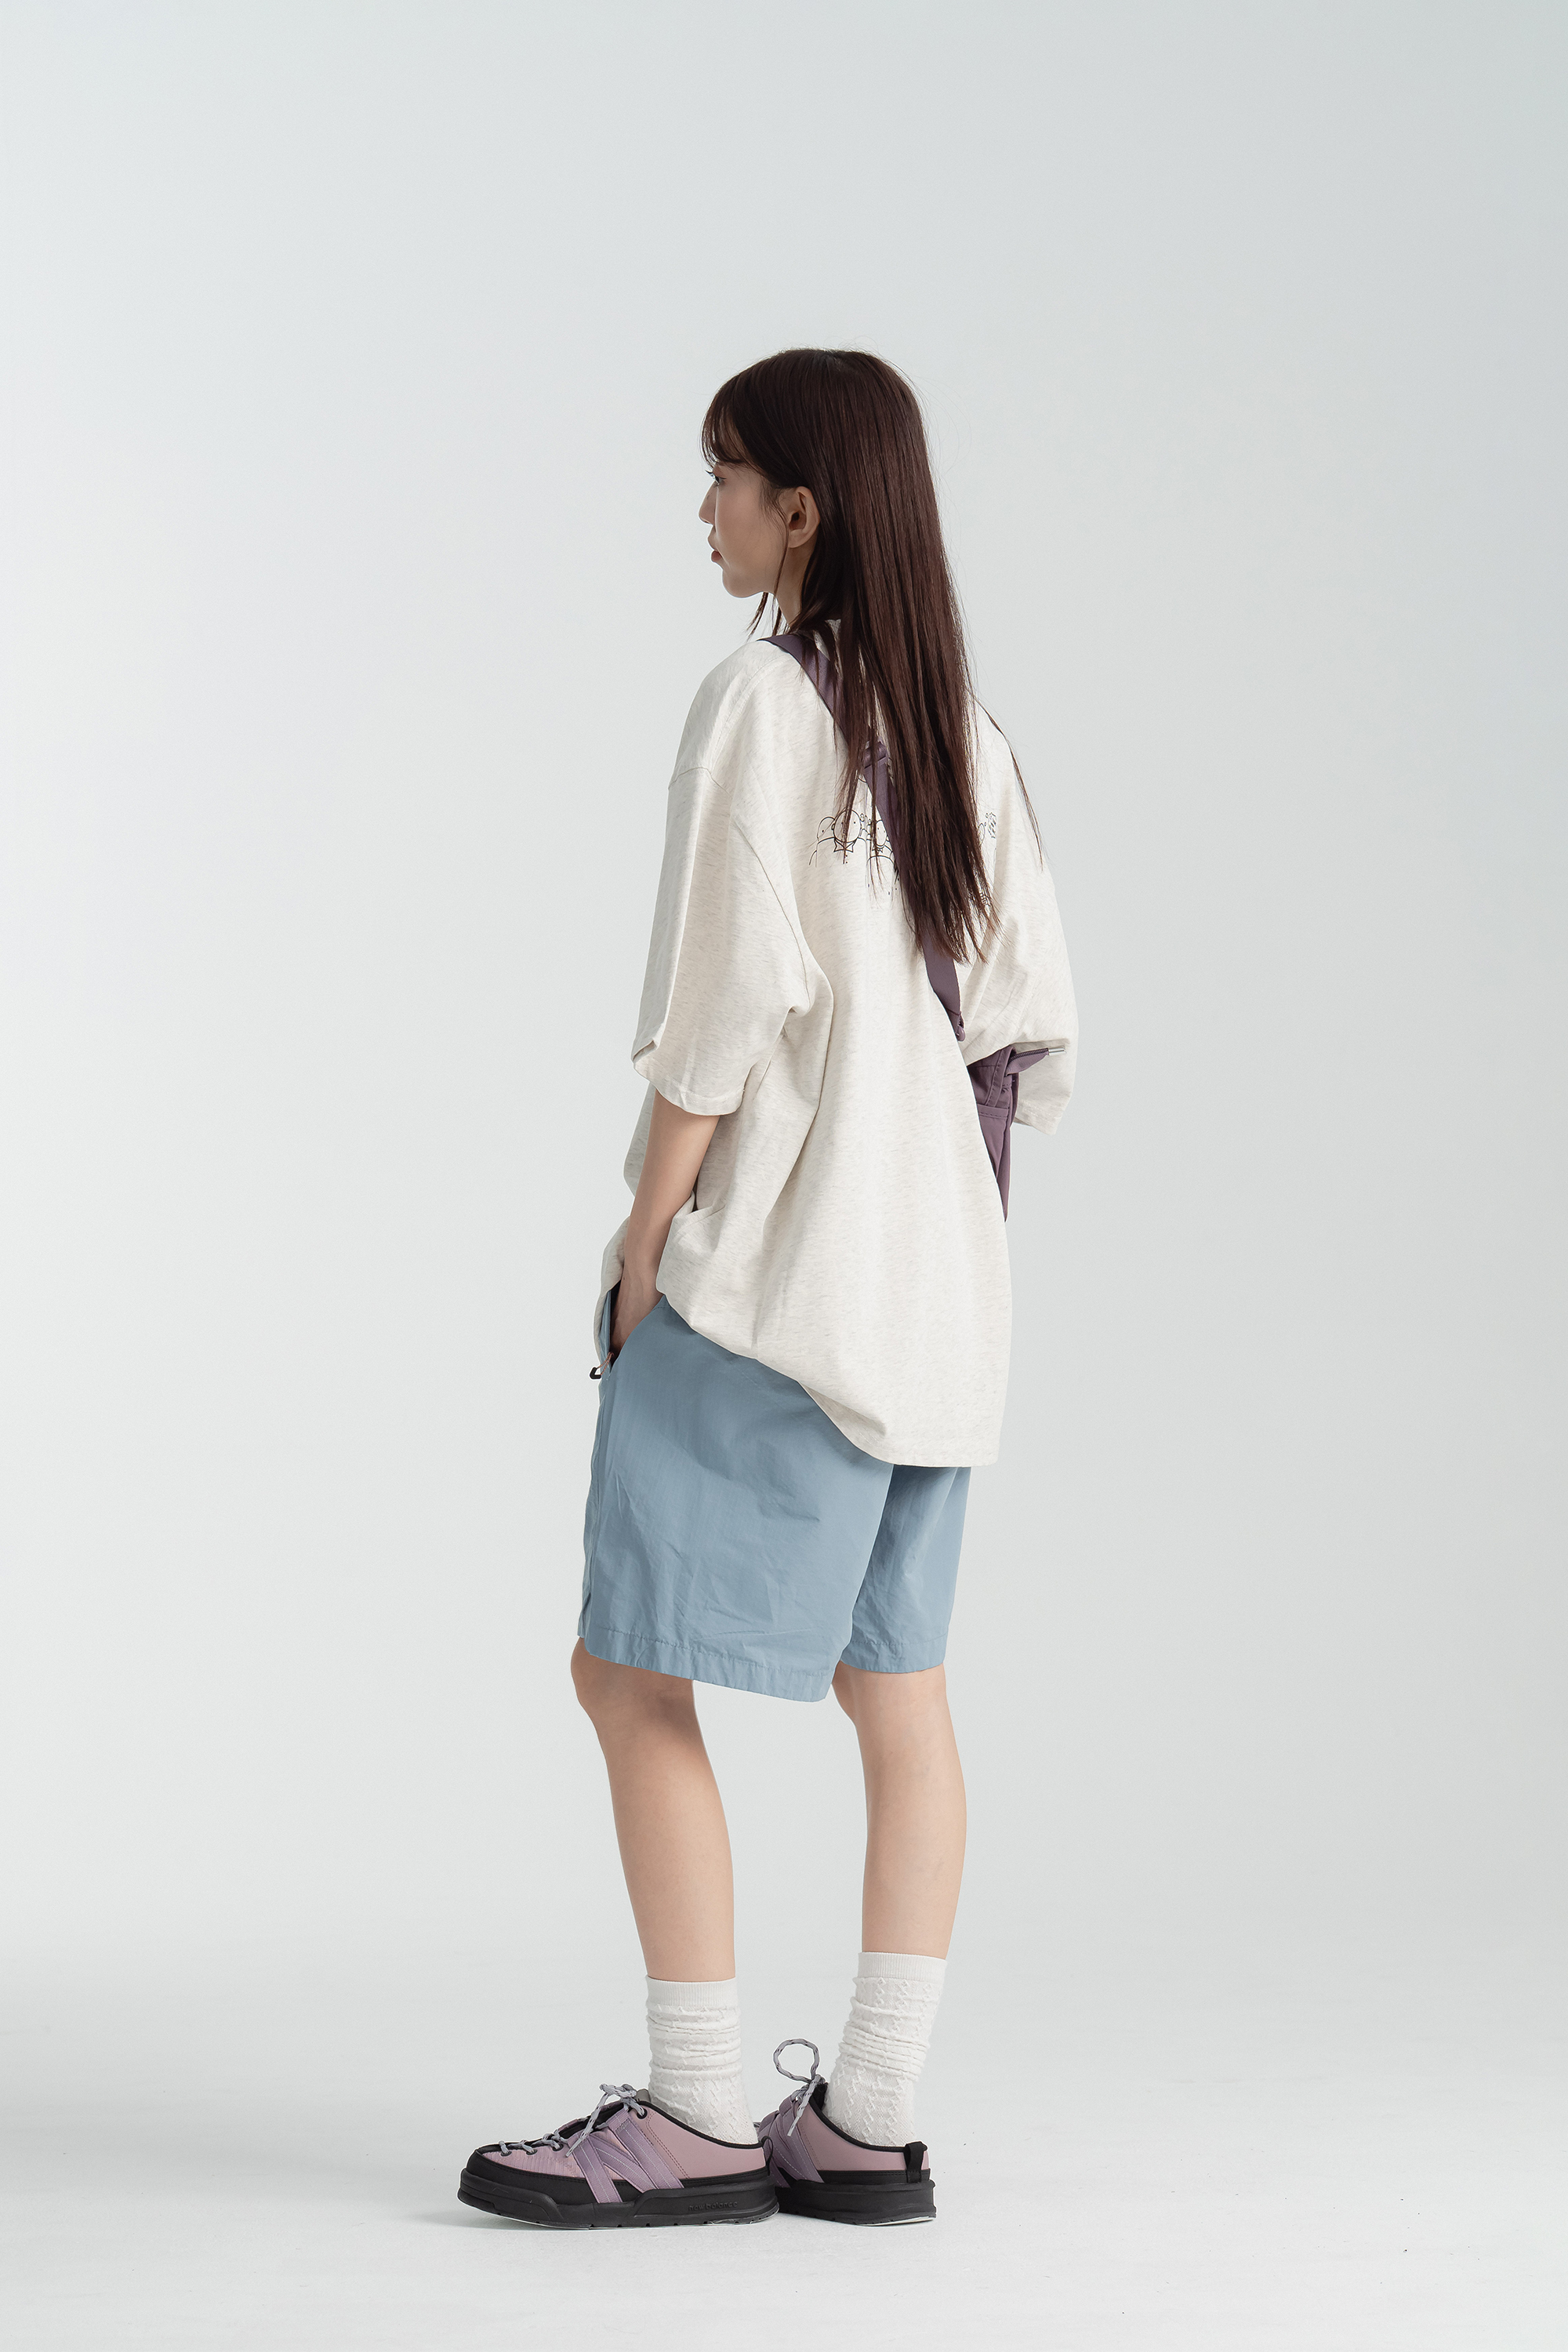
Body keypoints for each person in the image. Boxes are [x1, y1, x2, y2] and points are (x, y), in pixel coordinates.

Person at [459, 348, 1077, 2230]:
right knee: (903, 1695)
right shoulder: (964, 735)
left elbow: (718, 1022)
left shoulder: (761, 703)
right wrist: (929, 1247)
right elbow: (1021, 1042)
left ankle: (697, 2113)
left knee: (625, 1670)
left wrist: (646, 1245)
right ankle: (866, 2120)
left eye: (724, 474)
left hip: (776, 1296)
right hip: (937, 1311)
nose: (703, 508)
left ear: (800, 511)